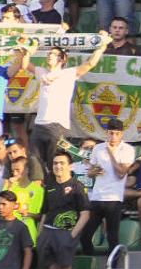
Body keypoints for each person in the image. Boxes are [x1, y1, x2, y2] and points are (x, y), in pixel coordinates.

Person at [12, 33, 110, 169]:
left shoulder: (68, 73)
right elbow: (25, 64)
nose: (49, 55)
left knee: (55, 163)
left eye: (54, 54)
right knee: (35, 164)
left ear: (62, 59)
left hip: (56, 126)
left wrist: (101, 46)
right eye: (49, 53)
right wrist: (23, 47)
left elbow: (90, 63)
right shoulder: (41, 71)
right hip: (39, 125)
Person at [38, 151, 89, 269]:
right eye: (55, 163)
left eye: (61, 163)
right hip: (48, 232)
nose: (58, 166)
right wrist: (40, 234)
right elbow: (44, 212)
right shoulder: (50, 185)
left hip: (65, 232)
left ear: (70, 166)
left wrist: (73, 234)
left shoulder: (77, 186)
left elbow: (85, 214)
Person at [82, 119, 134, 258]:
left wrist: (110, 153)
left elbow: (121, 173)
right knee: (85, 235)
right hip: (97, 197)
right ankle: (91, 262)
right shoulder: (98, 148)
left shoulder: (127, 149)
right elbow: (90, 172)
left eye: (117, 134)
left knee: (112, 238)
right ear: (107, 133)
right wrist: (95, 171)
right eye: (111, 133)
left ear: (122, 134)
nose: (113, 137)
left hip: (114, 199)